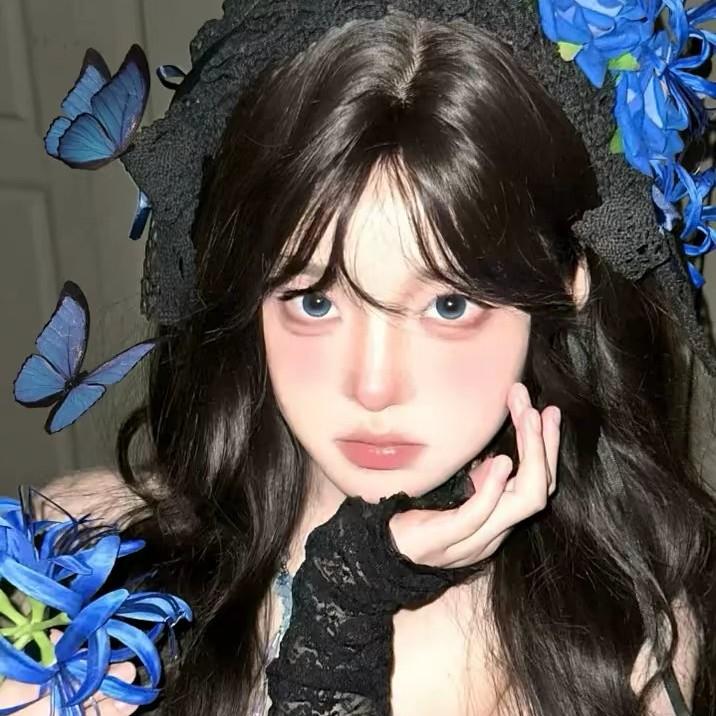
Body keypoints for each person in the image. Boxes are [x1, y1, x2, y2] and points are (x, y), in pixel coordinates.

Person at [4, 2, 715, 715]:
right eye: (315, 301)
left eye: (448, 306)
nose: (373, 386)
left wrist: (350, 594)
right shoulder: (76, 568)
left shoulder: (625, 641)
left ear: (565, 288)